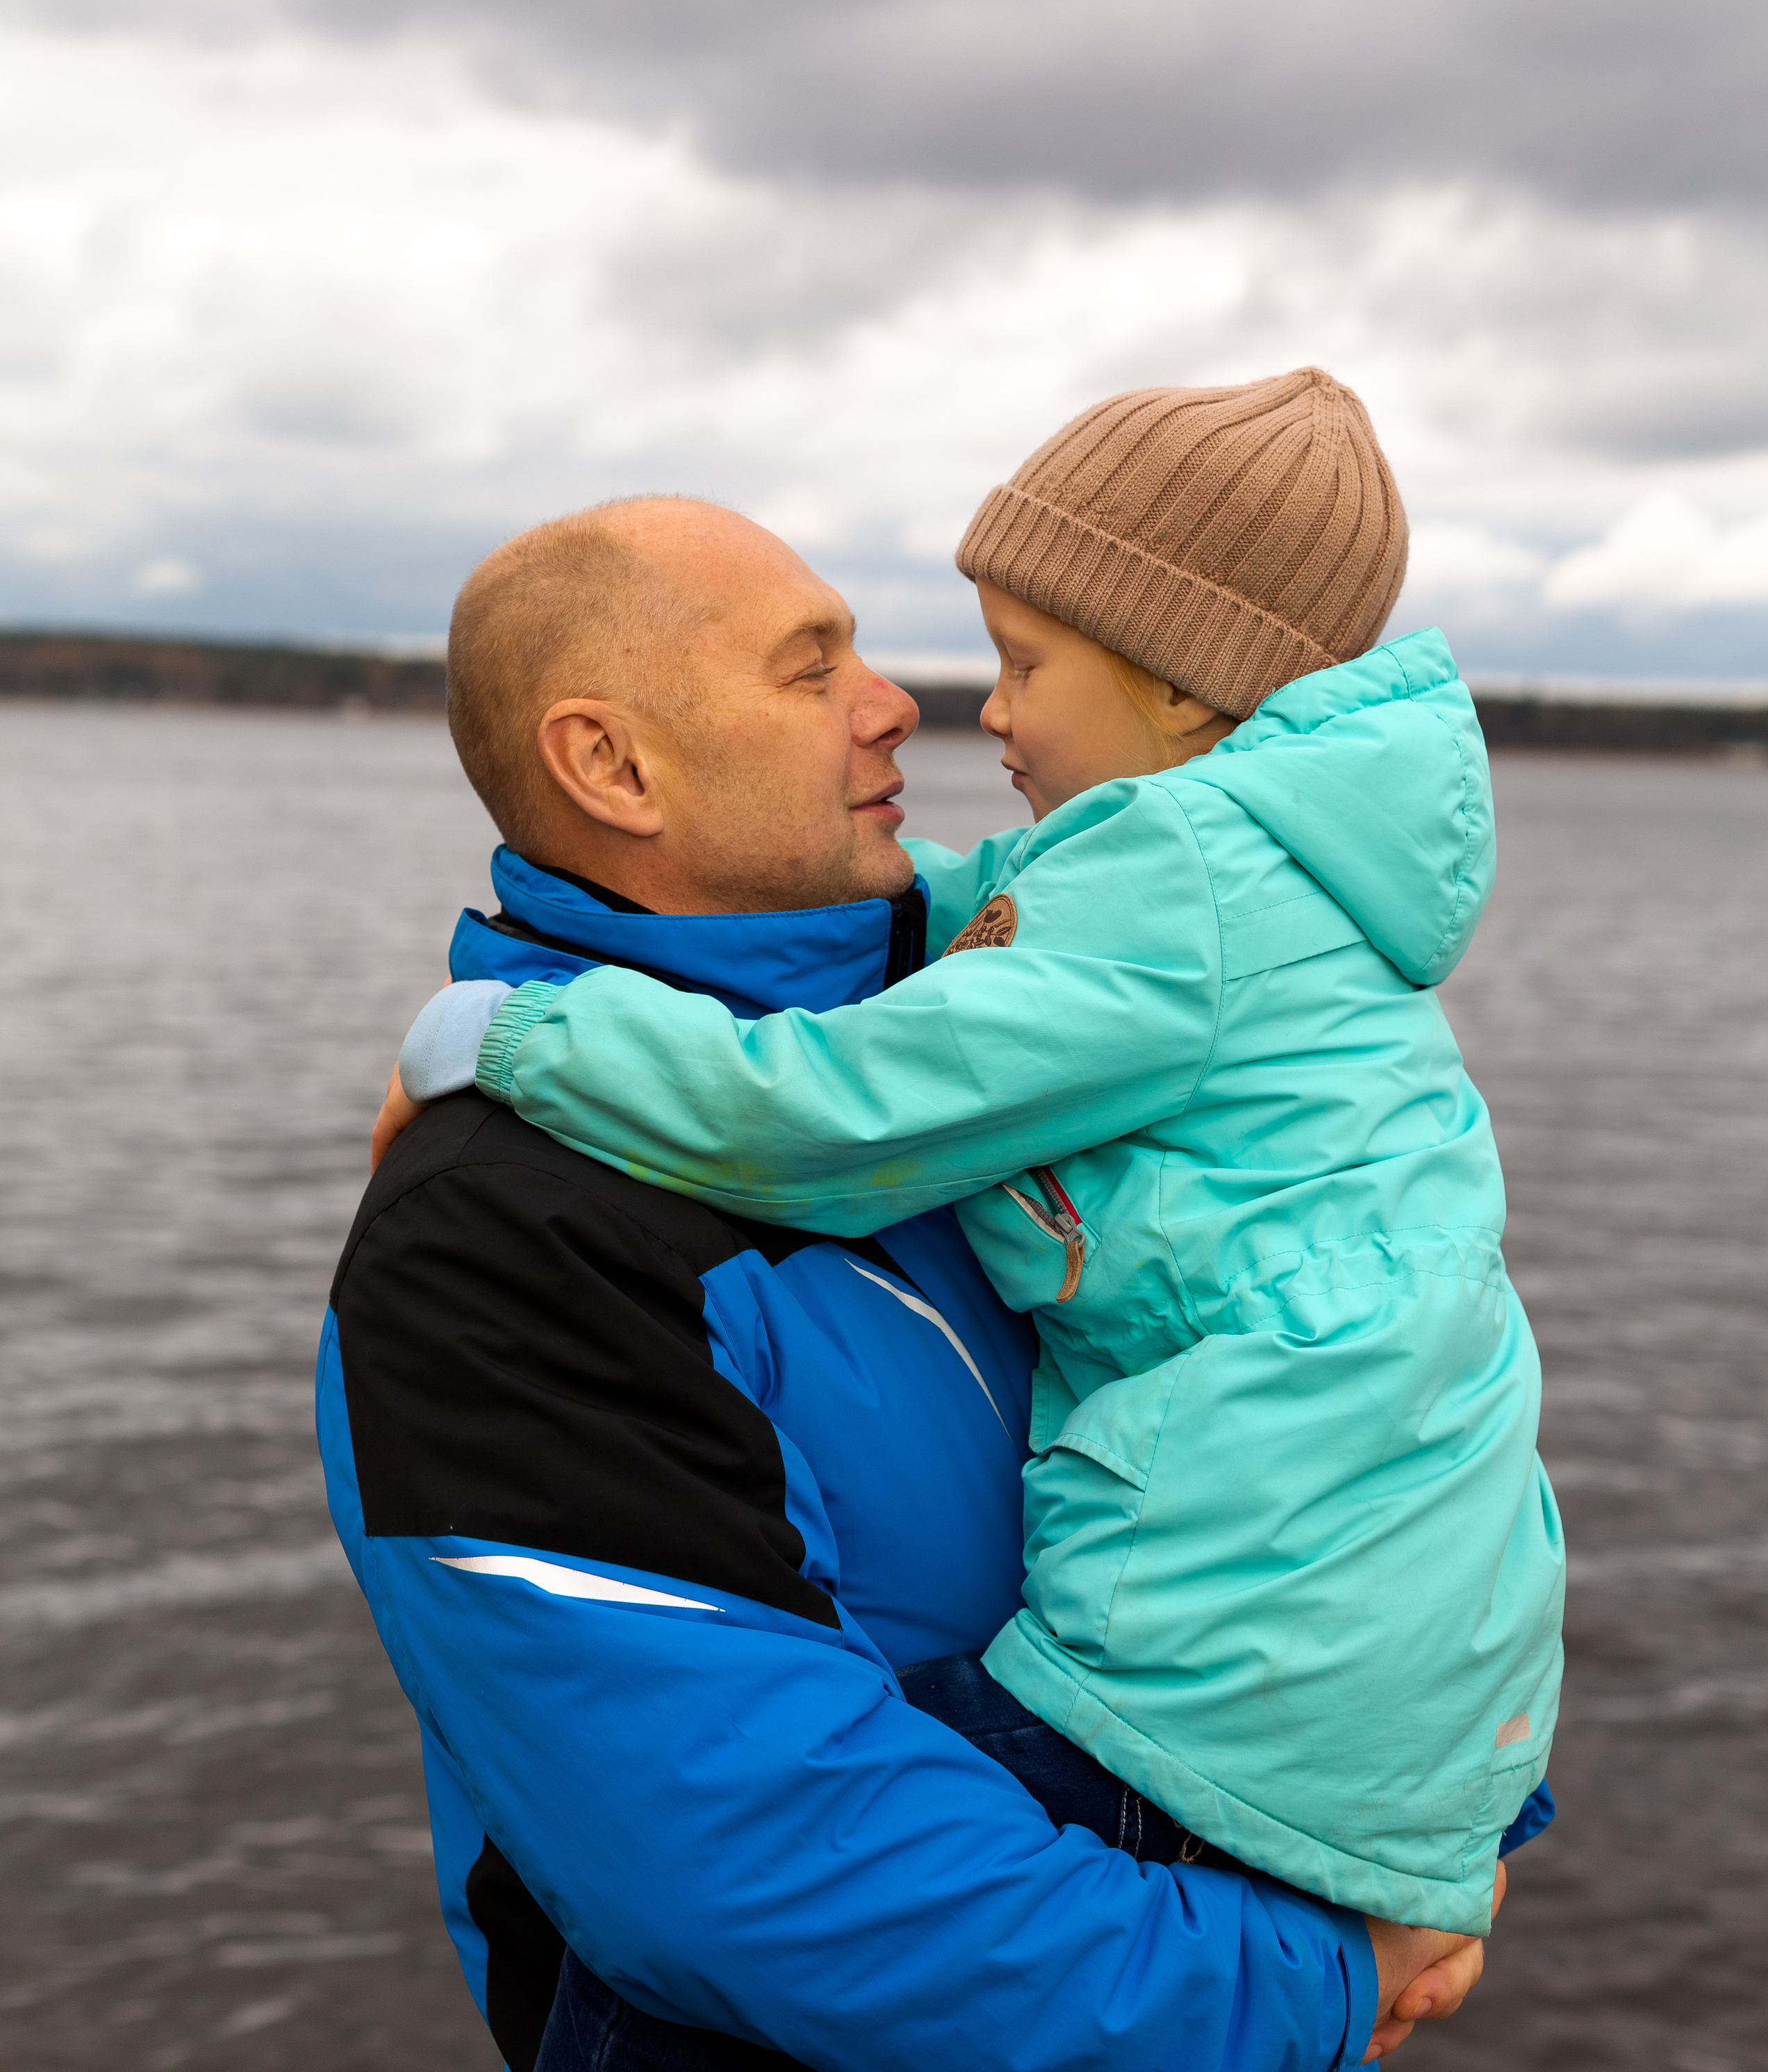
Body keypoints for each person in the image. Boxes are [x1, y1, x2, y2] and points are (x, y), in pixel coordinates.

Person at [323, 483, 1497, 2072]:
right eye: (812, 669)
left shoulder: (1011, 1071)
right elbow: (763, 1873)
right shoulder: (502, 1237)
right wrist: (1322, 1975)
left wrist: (1409, 1818)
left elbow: (1369, 1443)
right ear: (612, 766)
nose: (897, 706)